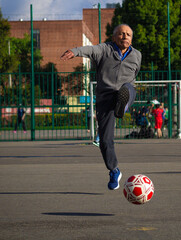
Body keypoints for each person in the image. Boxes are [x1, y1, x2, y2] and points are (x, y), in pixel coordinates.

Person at [60, 24, 141, 190]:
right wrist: (74, 52)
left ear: (131, 39)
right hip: (105, 98)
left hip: (127, 91)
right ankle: (114, 170)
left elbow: (135, 73)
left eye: (128, 34)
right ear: (114, 37)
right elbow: (90, 49)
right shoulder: (104, 49)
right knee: (104, 140)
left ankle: (123, 105)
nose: (125, 36)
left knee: (127, 89)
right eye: (121, 34)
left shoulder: (137, 55)